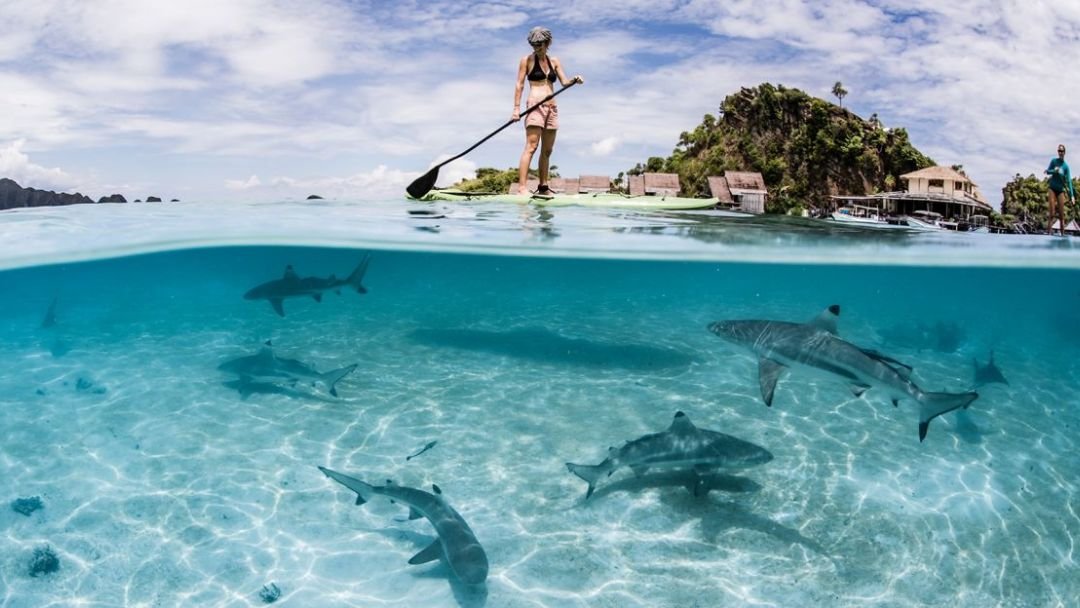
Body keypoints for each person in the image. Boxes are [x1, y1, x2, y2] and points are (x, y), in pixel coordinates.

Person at [512, 27, 584, 196]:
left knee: (547, 150)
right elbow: (519, 84)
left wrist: (574, 80)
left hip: (552, 107)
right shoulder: (526, 60)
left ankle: (543, 187)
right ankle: (522, 188)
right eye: (534, 45)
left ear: (548, 43)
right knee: (531, 146)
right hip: (535, 105)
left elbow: (564, 82)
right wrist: (516, 109)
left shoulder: (555, 61)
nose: (537, 49)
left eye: (540, 45)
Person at [1045, 144, 1075, 235]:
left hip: (1060, 190)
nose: (1060, 152)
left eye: (1062, 151)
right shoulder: (1054, 161)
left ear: (1064, 153)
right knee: (1052, 213)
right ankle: (1049, 234)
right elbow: (1048, 171)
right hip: (1052, 189)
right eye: (1059, 151)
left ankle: (1062, 236)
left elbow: (1069, 181)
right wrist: (1054, 170)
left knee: (1062, 216)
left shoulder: (1066, 167)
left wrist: (1072, 195)